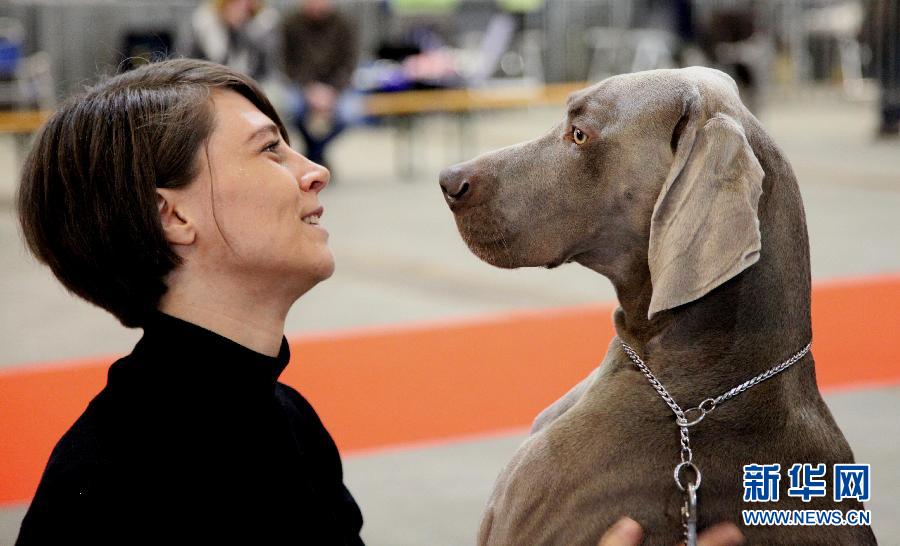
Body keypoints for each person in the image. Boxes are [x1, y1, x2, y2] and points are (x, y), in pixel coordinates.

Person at [15, 58, 361, 545]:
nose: (316, 172)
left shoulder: (291, 420)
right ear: (171, 215)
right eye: (270, 150)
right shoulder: (109, 485)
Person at [281, 0, 360, 168]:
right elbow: (288, 63)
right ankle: (317, 157)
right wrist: (310, 89)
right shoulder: (291, 24)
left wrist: (331, 91)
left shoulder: (344, 23)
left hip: (336, 87)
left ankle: (314, 154)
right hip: (303, 85)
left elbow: (349, 63)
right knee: (292, 108)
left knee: (350, 113)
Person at [185, 0, 280, 81]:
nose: (240, 9)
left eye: (245, 5)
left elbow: (265, 70)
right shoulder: (204, 26)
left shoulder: (260, 29)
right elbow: (187, 63)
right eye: (235, 4)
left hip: (249, 84)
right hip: (206, 84)